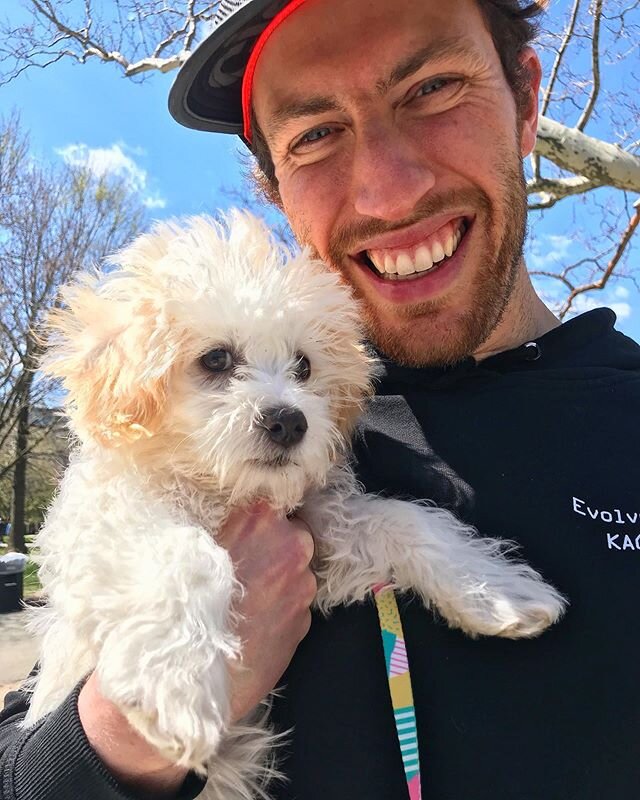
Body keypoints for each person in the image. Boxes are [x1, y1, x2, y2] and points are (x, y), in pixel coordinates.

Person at [1, 0, 638, 797]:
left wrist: (428, 551)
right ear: (271, 183)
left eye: (433, 87)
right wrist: (125, 734)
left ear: (526, 98)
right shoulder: (210, 455)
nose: (386, 187)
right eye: (315, 133)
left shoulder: (323, 416)